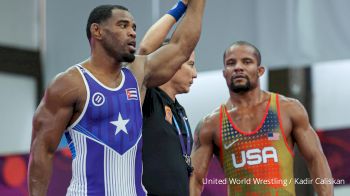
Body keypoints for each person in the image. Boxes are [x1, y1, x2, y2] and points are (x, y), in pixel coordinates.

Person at [28, 0, 206, 195]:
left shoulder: (137, 76)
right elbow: (42, 152)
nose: (132, 32)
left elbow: (182, 47)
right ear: (97, 31)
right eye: (123, 25)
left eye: (134, 27)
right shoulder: (70, 84)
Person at [189, 41, 333, 196]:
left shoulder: (288, 109)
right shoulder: (211, 124)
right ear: (224, 73)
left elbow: (316, 159)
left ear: (260, 70)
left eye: (246, 61)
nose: (238, 67)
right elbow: (195, 179)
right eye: (231, 63)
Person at [137, 1, 197, 195]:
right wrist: (181, 6)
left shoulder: (180, 110)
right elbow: (144, 52)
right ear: (170, 64)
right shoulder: (147, 96)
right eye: (190, 64)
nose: (195, 74)